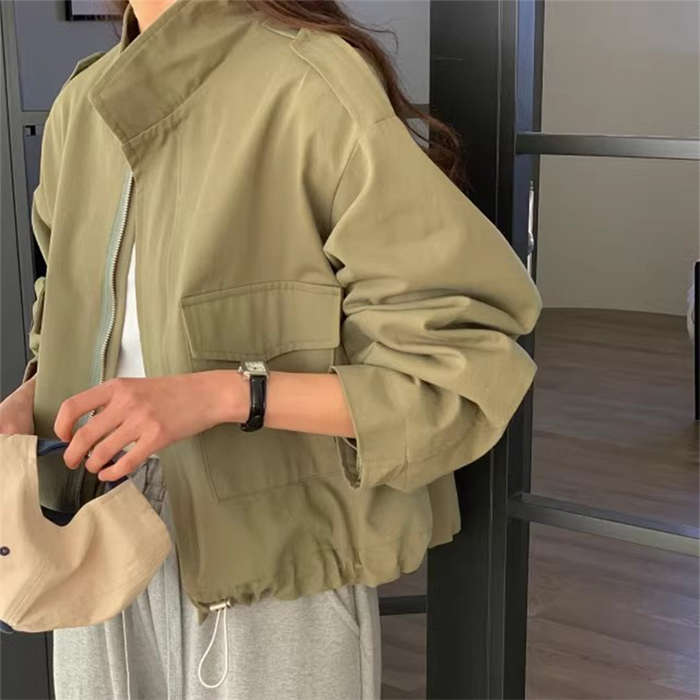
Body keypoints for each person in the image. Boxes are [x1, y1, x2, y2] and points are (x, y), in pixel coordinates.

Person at [0, 0, 543, 697]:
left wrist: (224, 394)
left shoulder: (309, 81)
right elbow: (77, 308)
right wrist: (33, 398)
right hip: (94, 532)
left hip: (269, 546)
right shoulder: (83, 105)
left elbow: (453, 360)